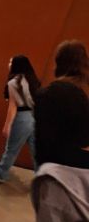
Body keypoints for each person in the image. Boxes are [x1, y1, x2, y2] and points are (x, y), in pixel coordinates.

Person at [35, 40, 89, 168]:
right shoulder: (82, 95)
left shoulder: (45, 93)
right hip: (73, 170)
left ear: (58, 63)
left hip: (50, 166)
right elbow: (84, 140)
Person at [0, 55, 40, 182]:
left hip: (22, 118)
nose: (9, 63)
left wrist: (7, 125)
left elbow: (12, 106)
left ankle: (0, 173)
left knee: (12, 149)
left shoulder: (13, 83)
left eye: (11, 61)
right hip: (35, 116)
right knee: (36, 150)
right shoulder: (33, 80)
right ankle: (41, 176)